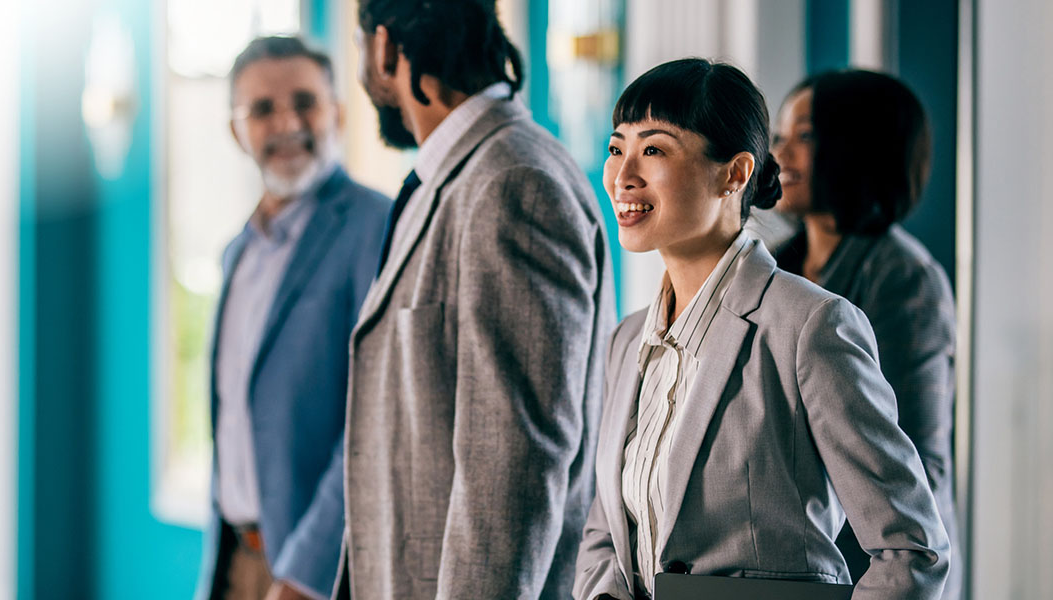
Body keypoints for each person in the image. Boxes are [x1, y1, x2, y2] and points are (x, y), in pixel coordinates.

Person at [573, 58, 949, 600]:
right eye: (616, 148)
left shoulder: (811, 324)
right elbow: (605, 531)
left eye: (653, 149)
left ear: (735, 172)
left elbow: (913, 548)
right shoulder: (628, 339)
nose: (623, 174)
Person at [339, 0, 616, 598]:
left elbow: (511, 469)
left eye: (358, 47)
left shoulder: (514, 182)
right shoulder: (458, 179)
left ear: (386, 48)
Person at [194, 36, 390, 600]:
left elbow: (372, 421)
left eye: (304, 102)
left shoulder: (375, 227)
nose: (286, 123)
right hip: (236, 558)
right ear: (237, 131)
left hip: (320, 573)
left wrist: (308, 571)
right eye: (261, 109)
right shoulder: (239, 252)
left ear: (339, 113)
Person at [771, 68, 960, 599]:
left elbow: (915, 463)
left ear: (854, 148)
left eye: (804, 137)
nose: (781, 154)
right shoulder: (773, 269)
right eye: (780, 136)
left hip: (875, 573)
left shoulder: (904, 278)